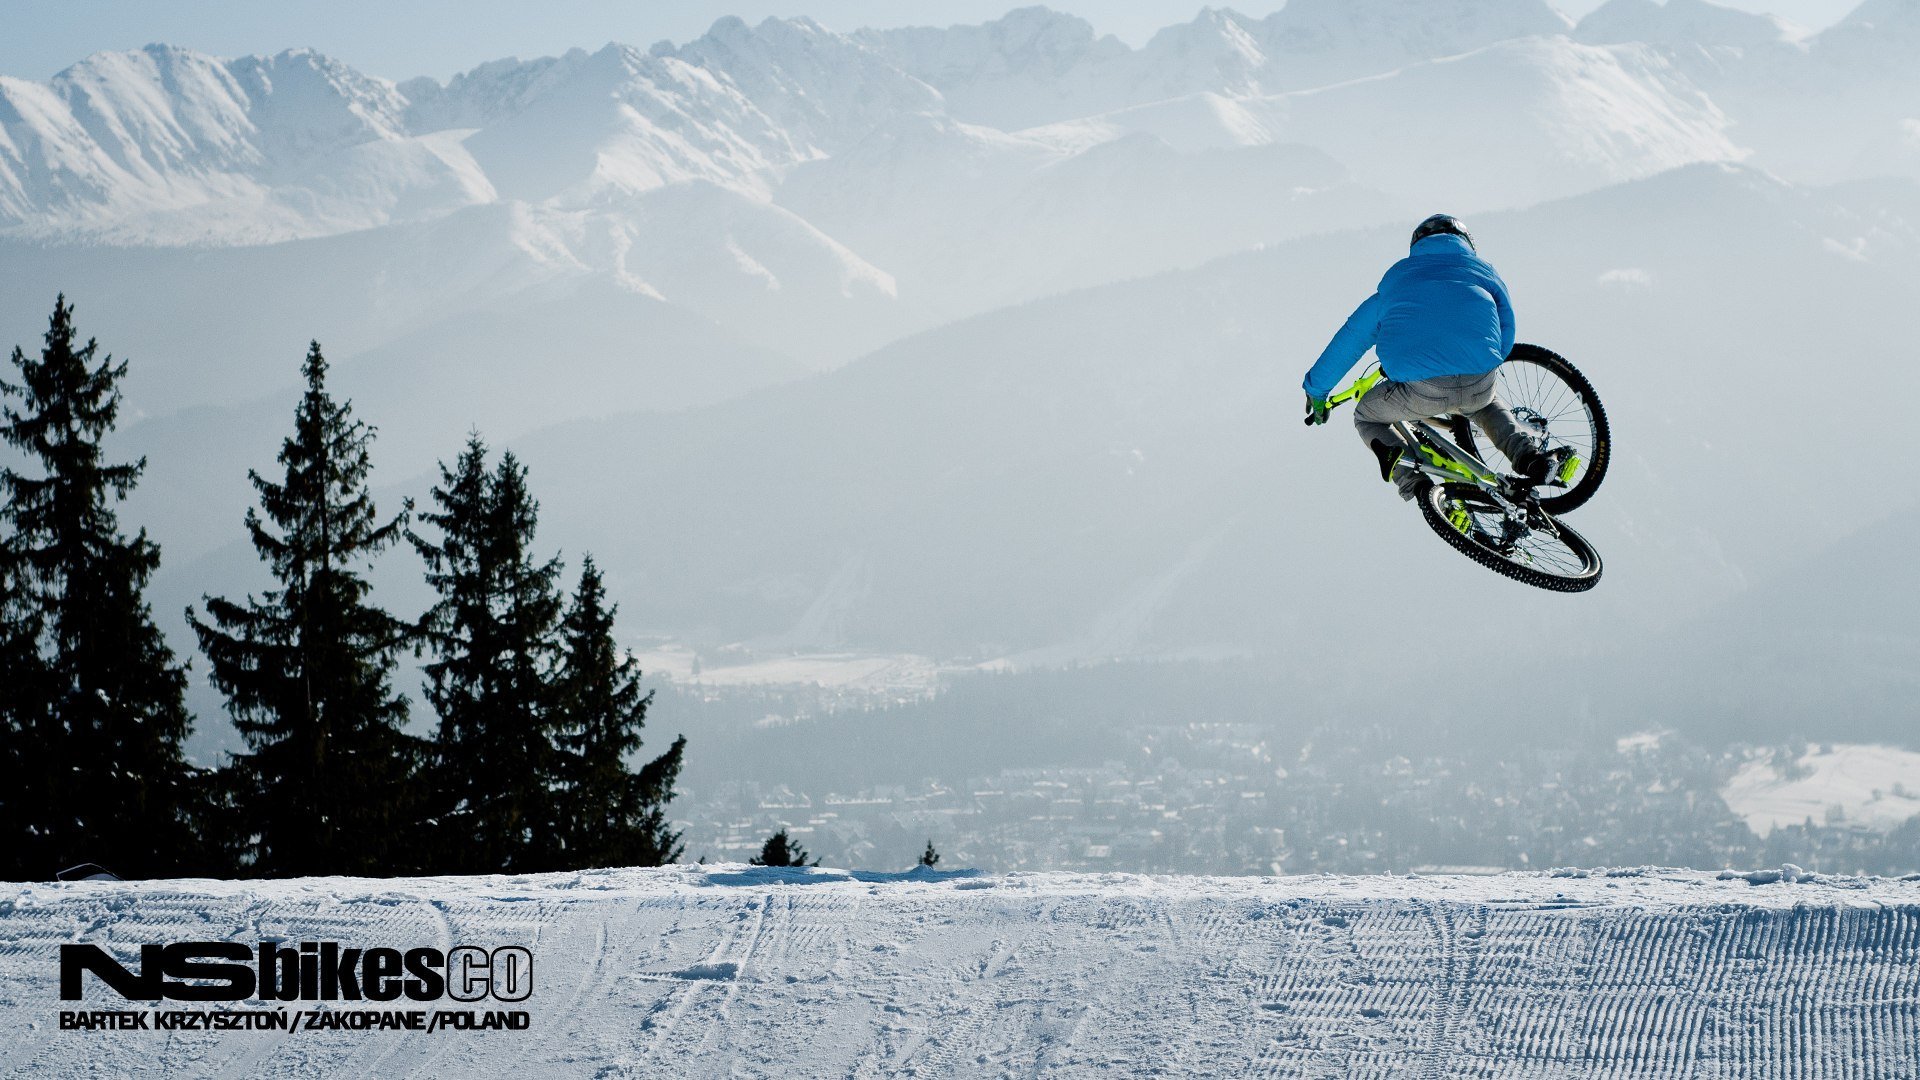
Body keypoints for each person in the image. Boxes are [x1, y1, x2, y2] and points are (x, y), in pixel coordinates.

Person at [1302, 214, 1569, 500]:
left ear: (1416, 246)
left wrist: (1317, 389)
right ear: (1466, 243)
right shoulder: (1485, 272)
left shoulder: (1396, 280)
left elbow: (1351, 337)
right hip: (1478, 378)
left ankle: (1415, 484)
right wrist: (1484, 361)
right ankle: (1530, 458)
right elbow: (1506, 328)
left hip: (1421, 389)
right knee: (1486, 403)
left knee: (1367, 417)